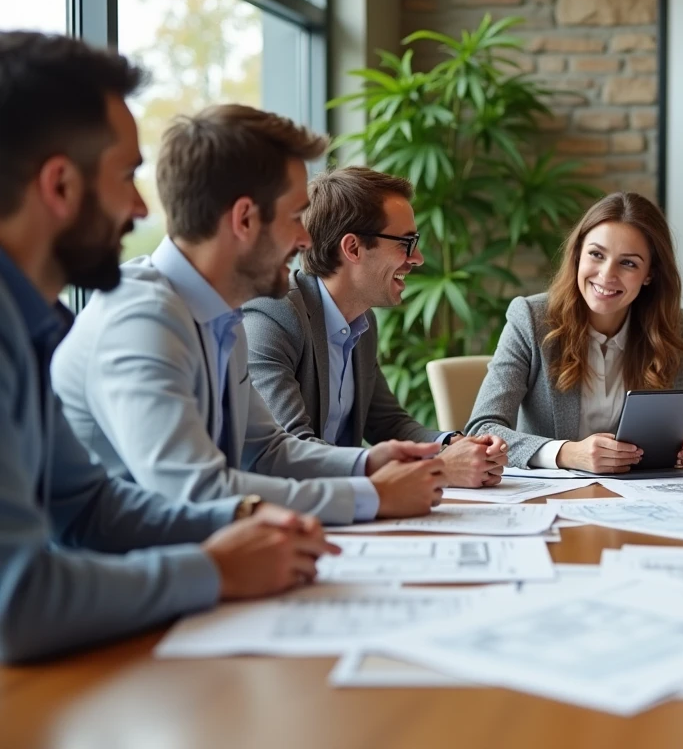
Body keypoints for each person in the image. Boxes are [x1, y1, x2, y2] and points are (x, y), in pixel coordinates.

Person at [0, 31, 338, 663]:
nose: (137, 205)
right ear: (60, 186)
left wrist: (239, 522)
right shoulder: (129, 315)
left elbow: (86, 504)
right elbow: (14, 602)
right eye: (126, 176)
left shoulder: (25, 326)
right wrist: (215, 570)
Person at [51, 104, 444, 526]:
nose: (306, 238)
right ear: (244, 219)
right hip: (124, 572)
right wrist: (369, 495)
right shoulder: (141, 319)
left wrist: (368, 463)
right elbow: (196, 490)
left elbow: (268, 449)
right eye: (296, 216)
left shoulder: (221, 316)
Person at [242, 166, 508, 488]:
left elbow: (387, 423)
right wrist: (439, 467)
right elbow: (292, 450)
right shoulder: (272, 316)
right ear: (353, 248)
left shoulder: (361, 320)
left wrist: (452, 445)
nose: (418, 258)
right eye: (406, 243)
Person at [466, 192, 683, 473]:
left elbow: (680, 429)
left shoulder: (671, 326)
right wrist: (566, 453)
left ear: (650, 274)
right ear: (577, 255)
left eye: (628, 263)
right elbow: (482, 430)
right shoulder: (531, 317)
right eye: (596, 255)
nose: (606, 275)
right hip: (548, 498)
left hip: (636, 495)